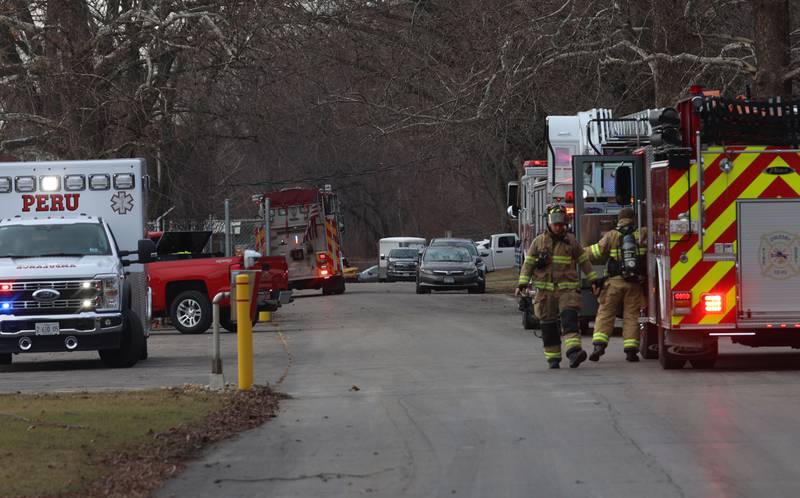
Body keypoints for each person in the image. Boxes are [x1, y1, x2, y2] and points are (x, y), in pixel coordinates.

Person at [516, 204, 600, 369]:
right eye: (556, 224)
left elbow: (584, 262)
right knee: (548, 326)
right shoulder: (538, 242)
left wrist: (594, 280)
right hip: (545, 293)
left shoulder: (571, 242)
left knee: (570, 319)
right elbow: (528, 265)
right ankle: (553, 358)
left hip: (567, 291)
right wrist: (522, 283)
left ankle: (574, 352)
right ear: (549, 224)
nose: (559, 227)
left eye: (561, 224)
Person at [586, 207, 647, 363]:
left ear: (619, 219)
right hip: (634, 284)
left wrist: (577, 252)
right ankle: (631, 350)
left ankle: (599, 346)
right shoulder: (642, 234)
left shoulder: (611, 235)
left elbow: (595, 252)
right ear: (634, 218)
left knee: (606, 313)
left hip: (614, 283)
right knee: (631, 316)